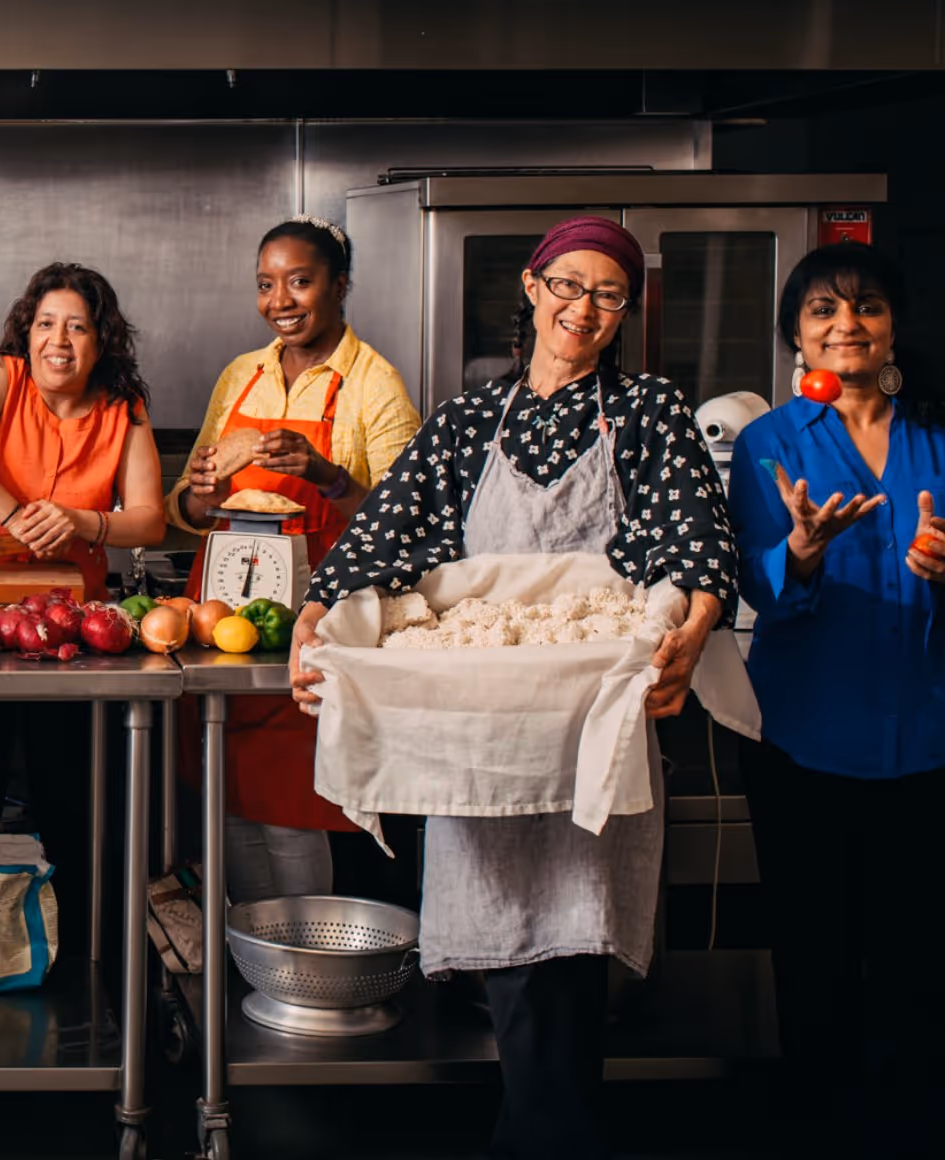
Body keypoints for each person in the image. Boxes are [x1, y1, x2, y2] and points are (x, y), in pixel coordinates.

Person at [292, 217, 732, 1158]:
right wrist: (315, 620)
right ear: (532, 289)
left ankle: (541, 1134)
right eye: (568, 284)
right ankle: (542, 1133)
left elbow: (698, 540)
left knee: (572, 949)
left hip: (588, 715)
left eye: (608, 294)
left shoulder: (650, 410)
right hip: (480, 726)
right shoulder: (467, 420)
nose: (584, 307)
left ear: (624, 313)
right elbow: (385, 536)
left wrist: (693, 623)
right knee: (504, 950)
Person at [728, 243, 945, 1159]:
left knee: (915, 957)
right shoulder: (771, 441)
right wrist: (800, 556)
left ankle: (910, 1128)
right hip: (807, 740)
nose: (846, 324)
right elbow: (757, 582)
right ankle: (816, 1123)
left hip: (933, 734)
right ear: (796, 334)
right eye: (823, 309)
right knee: (813, 955)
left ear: (895, 324)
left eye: (867, 306)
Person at [0, 262, 166, 953]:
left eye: (78, 327)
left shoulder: (125, 406)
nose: (59, 340)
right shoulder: (3, 375)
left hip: (72, 633)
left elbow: (149, 520)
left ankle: (82, 950)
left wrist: (87, 525)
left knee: (73, 797)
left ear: (101, 340)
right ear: (27, 333)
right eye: (46, 324)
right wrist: (16, 515)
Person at [170, 215, 420, 902]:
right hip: (227, 618)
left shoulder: (373, 382)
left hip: (316, 626)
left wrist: (324, 474)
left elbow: (406, 524)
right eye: (265, 284)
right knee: (234, 799)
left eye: (300, 282)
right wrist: (199, 495)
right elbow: (185, 512)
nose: (280, 300)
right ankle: (256, 965)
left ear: (340, 286)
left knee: (296, 809)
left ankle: (309, 961)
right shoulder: (239, 376)